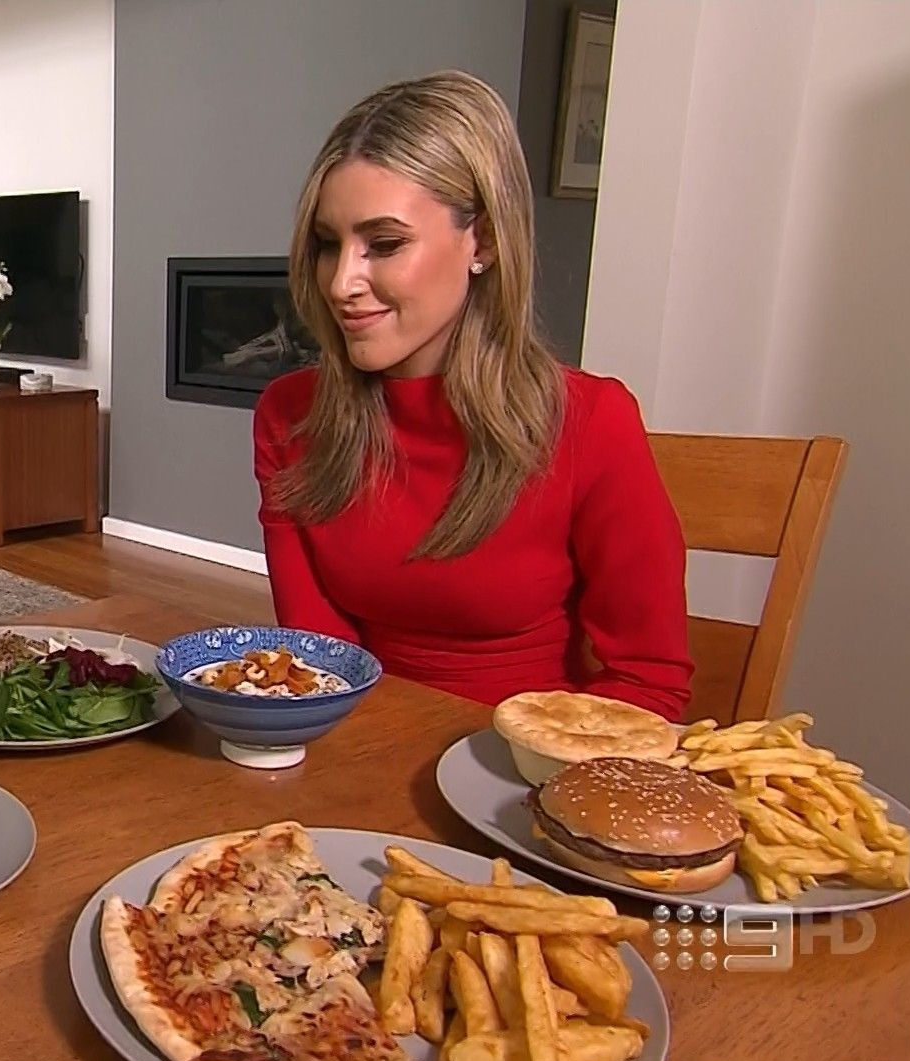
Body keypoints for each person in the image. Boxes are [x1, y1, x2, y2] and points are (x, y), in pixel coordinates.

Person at [252, 71, 692, 720]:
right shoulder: (289, 416)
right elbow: (321, 664)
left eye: (385, 243)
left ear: (482, 240)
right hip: (354, 749)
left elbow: (649, 685)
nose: (341, 282)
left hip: (530, 763)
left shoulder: (592, 422)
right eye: (327, 244)